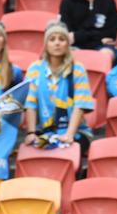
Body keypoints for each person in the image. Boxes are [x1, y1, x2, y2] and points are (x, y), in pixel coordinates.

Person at [24, 22, 94, 153]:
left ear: (68, 44)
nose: (57, 43)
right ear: (46, 45)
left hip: (76, 131)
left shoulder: (77, 69)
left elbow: (80, 105)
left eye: (62, 39)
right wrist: (31, 132)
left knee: (65, 148)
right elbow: (30, 104)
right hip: (44, 130)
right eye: (52, 39)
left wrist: (69, 134)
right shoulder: (34, 68)